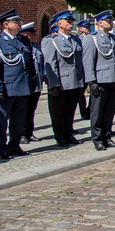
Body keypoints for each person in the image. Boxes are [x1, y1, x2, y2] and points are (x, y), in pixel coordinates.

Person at [0, 9, 35, 160]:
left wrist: (31, 84)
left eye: (20, 21)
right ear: (6, 24)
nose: (20, 24)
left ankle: (14, 145)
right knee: (2, 120)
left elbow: (29, 65)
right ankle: (1, 148)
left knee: (18, 120)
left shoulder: (23, 40)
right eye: (16, 22)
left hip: (22, 87)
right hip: (6, 87)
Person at [42, 9, 85, 147]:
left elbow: (79, 62)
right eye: (68, 21)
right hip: (60, 82)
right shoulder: (52, 41)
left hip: (75, 81)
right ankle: (60, 136)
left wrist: (81, 81)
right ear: (59, 23)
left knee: (70, 110)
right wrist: (53, 84)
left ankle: (68, 133)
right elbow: (51, 63)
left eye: (72, 21)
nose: (71, 24)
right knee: (57, 112)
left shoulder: (76, 40)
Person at [82, 10, 115, 151]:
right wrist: (91, 81)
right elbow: (88, 61)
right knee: (97, 112)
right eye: (108, 20)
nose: (111, 23)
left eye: (111, 20)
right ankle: (98, 139)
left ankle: (107, 136)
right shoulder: (91, 39)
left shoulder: (113, 39)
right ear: (99, 23)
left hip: (113, 79)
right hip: (100, 80)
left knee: (109, 111)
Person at [19, 22, 44, 144]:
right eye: (32, 34)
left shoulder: (37, 47)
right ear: (25, 35)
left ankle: (29, 132)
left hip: (36, 84)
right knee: (22, 110)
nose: (34, 35)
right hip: (25, 85)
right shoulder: (21, 47)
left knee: (31, 110)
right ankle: (22, 134)